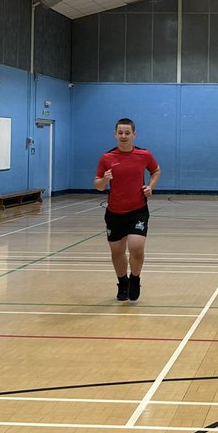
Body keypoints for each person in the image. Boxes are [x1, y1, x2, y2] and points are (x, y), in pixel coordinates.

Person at [94, 118, 160, 302]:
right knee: (117, 252)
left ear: (134, 134)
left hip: (137, 210)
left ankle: (135, 279)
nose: (123, 136)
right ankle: (122, 282)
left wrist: (150, 186)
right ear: (115, 134)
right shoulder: (107, 158)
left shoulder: (144, 155)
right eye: (120, 133)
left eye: (127, 133)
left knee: (136, 248)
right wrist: (105, 180)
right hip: (114, 212)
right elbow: (98, 185)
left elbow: (156, 170)